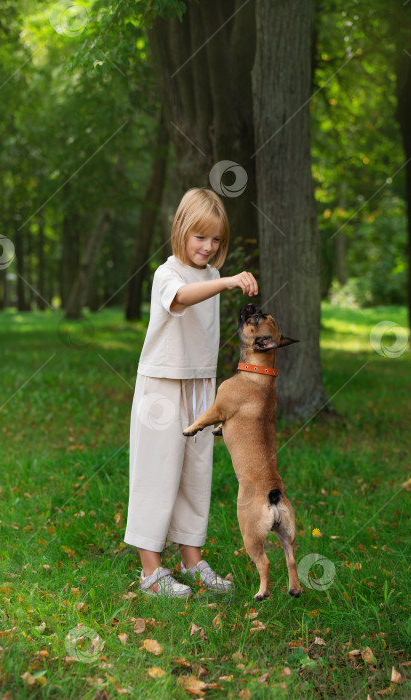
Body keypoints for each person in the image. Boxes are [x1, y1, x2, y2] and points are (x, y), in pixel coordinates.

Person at [124, 187, 259, 597]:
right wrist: (229, 282)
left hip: (200, 385)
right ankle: (151, 571)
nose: (209, 246)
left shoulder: (214, 275)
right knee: (157, 473)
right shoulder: (167, 274)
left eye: (217, 239)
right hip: (163, 388)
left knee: (195, 474)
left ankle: (192, 559)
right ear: (181, 230)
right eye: (200, 236)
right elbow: (181, 299)